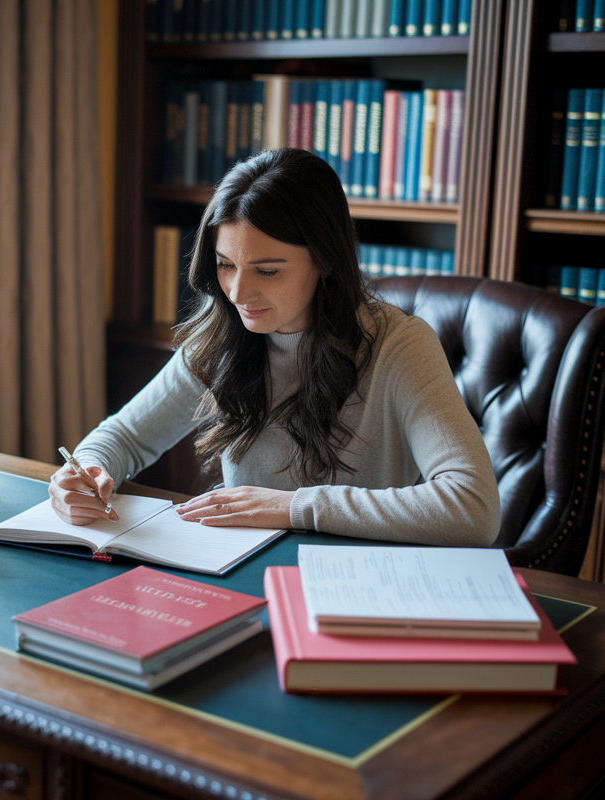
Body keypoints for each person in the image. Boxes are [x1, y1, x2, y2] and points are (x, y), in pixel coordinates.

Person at [50, 148, 500, 546]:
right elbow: (124, 437)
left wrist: (293, 507)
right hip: (240, 572)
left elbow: (474, 507)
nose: (239, 293)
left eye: (267, 271)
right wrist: (85, 471)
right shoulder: (221, 334)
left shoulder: (399, 345)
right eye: (226, 265)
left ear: (325, 260)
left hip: (359, 586)